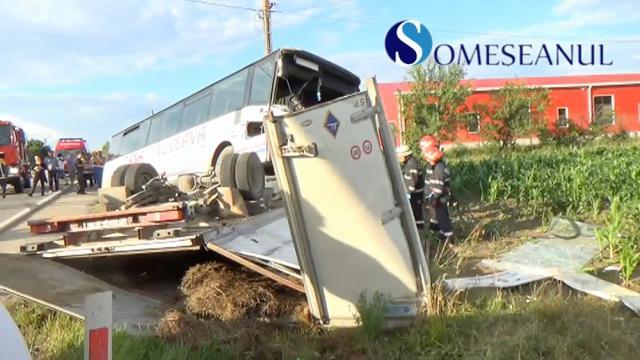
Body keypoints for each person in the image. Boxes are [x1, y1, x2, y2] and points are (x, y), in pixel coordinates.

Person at [423, 145, 454, 242]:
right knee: (440, 216)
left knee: (442, 216)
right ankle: (443, 233)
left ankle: (448, 236)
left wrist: (434, 198)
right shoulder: (440, 165)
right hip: (441, 196)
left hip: (440, 197)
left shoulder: (438, 169)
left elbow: (438, 187)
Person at [396, 145, 425, 229]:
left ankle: (418, 230)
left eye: (399, 155)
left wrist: (409, 193)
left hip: (415, 194)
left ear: (405, 155)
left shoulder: (412, 164)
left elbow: (413, 181)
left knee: (416, 212)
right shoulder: (409, 163)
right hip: (412, 193)